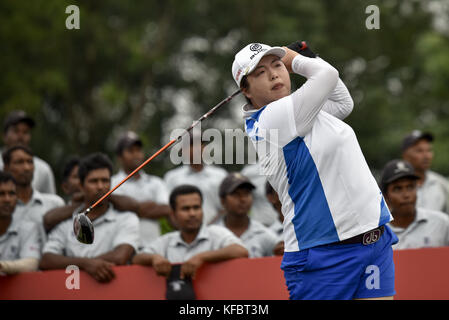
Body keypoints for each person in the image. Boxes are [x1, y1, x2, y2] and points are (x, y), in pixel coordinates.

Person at [232, 41, 397, 299]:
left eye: (277, 65)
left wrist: (309, 55)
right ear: (247, 91)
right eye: (260, 72)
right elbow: (328, 75)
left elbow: (343, 103)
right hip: (323, 254)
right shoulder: (270, 119)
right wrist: (293, 58)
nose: (274, 74)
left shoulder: (305, 113)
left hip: (374, 240)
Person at [39, 153, 140, 283]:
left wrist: (82, 264)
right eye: (93, 181)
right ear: (81, 186)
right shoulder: (65, 223)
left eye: (105, 181)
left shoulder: (127, 219)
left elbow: (120, 256)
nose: (100, 186)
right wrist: (87, 264)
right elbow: (47, 260)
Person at [132, 184, 248, 280]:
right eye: (185, 209)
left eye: (196, 208)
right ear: (173, 214)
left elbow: (241, 251)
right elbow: (137, 259)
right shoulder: (166, 241)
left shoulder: (216, 233)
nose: (192, 213)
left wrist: (202, 257)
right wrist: (154, 258)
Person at [111, 131, 171, 246]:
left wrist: (130, 208)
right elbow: (116, 208)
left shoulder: (156, 182)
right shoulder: (112, 183)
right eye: (130, 151)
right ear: (120, 157)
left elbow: (166, 209)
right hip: (121, 247)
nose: (136, 154)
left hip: (152, 247)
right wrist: (151, 205)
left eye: (138, 150)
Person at [380, 159, 449, 249]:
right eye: (397, 189)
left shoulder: (442, 223)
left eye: (410, 187)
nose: (406, 195)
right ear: (385, 196)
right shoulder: (378, 234)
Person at [2, 146, 64, 244]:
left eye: (30, 162)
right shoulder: (3, 206)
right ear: (6, 167)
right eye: (19, 162)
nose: (26, 168)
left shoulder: (55, 204)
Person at [164, 131, 228, 225]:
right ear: (182, 150)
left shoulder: (220, 175)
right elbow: (169, 209)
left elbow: (226, 207)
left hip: (217, 231)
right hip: (185, 233)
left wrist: (207, 228)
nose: (197, 148)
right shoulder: (172, 177)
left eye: (200, 144)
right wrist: (182, 229)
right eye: (192, 145)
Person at [215, 172, 283, 258]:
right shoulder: (213, 235)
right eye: (236, 194)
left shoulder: (265, 234)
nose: (243, 199)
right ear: (222, 201)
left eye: (246, 193)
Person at [0, 110, 56, 194]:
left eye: (25, 132)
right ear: (4, 136)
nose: (21, 136)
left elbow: (50, 203)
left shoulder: (43, 169)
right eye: (16, 131)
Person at [0, 171, 41, 275]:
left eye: (12, 193)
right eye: (1, 194)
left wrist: (3, 266)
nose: (7, 199)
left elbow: (32, 263)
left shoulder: (28, 228)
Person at [401, 130, 449, 215]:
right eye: (419, 151)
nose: (426, 156)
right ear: (405, 155)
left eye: (429, 150)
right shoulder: (394, 186)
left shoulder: (442, 184)